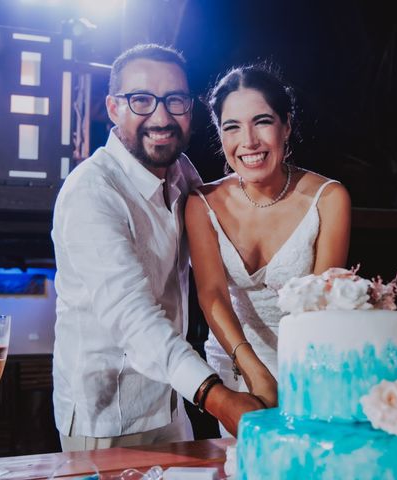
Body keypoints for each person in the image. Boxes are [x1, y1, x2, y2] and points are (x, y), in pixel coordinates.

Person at [51, 44, 262, 451]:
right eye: (141, 100)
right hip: (106, 414)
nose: (161, 117)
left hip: (171, 400)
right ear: (114, 108)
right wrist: (220, 399)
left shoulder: (183, 173)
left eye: (175, 101)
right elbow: (133, 318)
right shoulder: (91, 191)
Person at [185, 64, 351, 434]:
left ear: (286, 125)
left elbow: (322, 309)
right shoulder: (202, 203)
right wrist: (254, 374)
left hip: (311, 365)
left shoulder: (329, 198)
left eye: (262, 121)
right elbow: (211, 294)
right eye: (232, 127)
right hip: (234, 363)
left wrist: (296, 382)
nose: (249, 141)